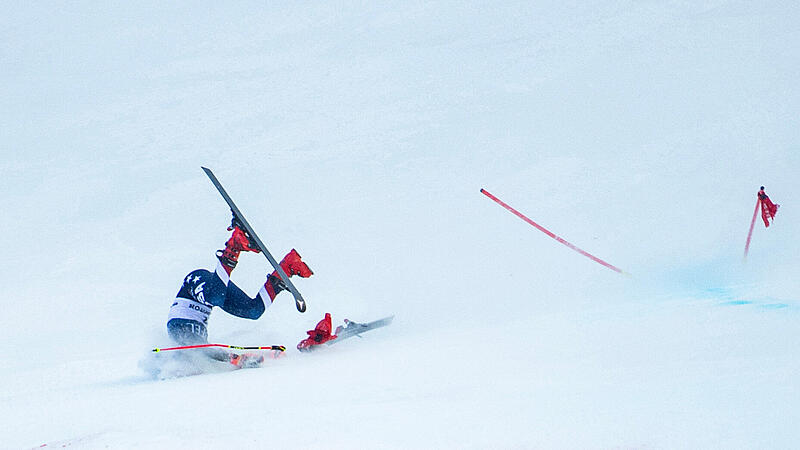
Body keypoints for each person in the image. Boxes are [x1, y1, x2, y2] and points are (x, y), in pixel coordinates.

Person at [166, 218, 313, 367]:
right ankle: (285, 270)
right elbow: (208, 351)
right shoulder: (198, 346)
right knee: (253, 311)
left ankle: (234, 246)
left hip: (195, 283)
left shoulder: (181, 340)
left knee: (215, 298)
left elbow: (204, 351)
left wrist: (237, 359)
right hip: (215, 289)